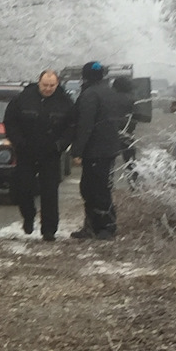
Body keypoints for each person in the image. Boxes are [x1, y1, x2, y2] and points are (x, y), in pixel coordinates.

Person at [1, 69, 75, 240]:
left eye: (52, 85)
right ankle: (28, 216)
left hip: (51, 153)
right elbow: (10, 122)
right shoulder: (23, 99)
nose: (48, 89)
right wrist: (18, 141)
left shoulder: (65, 102)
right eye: (45, 85)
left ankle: (49, 230)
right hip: (26, 151)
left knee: (50, 192)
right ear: (39, 82)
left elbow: (72, 127)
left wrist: (60, 145)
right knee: (23, 189)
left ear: (57, 84)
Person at [69, 61, 129, 240]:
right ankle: (96, 226)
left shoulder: (90, 94)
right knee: (99, 188)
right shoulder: (109, 92)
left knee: (94, 189)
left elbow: (85, 124)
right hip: (108, 148)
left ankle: (104, 228)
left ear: (85, 75)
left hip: (95, 150)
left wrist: (77, 150)